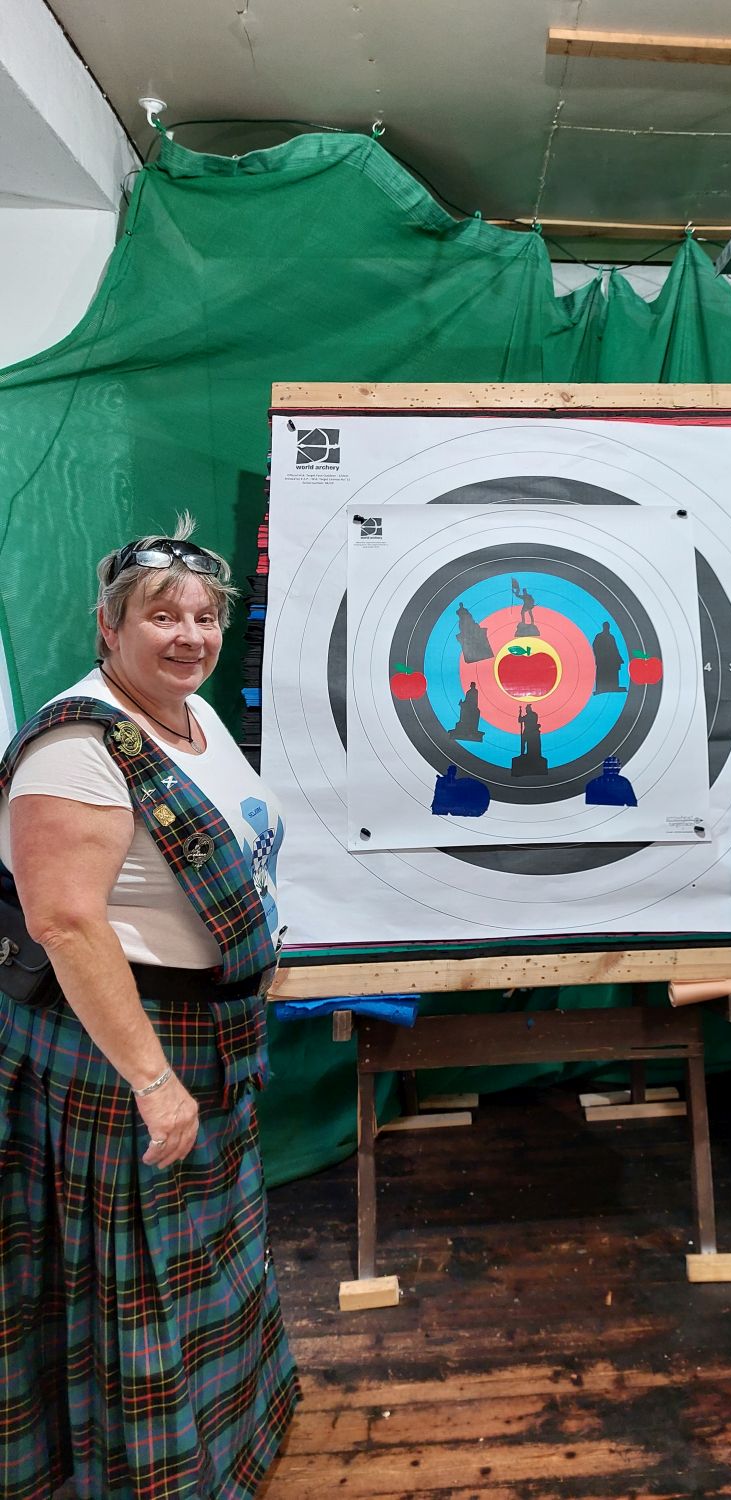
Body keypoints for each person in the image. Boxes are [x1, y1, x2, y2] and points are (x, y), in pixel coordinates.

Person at [0, 520, 299, 1499]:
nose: (190, 636)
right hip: (124, 1054)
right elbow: (64, 922)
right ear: (108, 626)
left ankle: (229, 1441)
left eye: (205, 617)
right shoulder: (76, 746)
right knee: (136, 1283)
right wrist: (154, 1082)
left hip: (208, 1038)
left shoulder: (190, 713)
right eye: (162, 616)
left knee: (204, 1265)